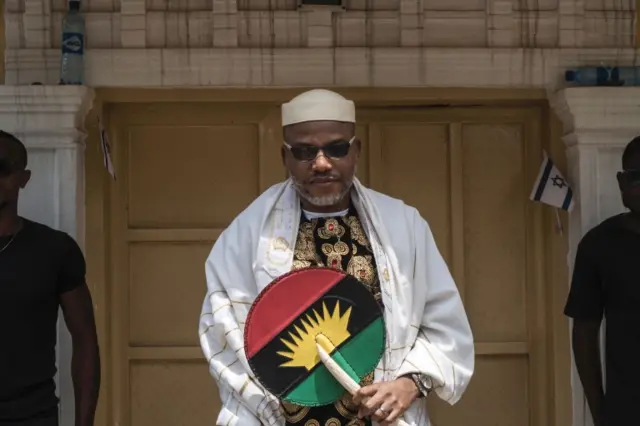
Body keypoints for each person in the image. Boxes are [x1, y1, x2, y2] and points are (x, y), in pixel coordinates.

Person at [199, 89, 474, 426]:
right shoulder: (247, 235)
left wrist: (409, 383)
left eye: (336, 148)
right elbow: (223, 330)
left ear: (355, 151)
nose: (321, 163)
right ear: (285, 157)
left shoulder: (403, 227)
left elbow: (444, 328)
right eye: (304, 151)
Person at [0, 131, 101, 426]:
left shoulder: (55, 250)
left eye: (2, 168)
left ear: (23, 177)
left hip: (31, 416)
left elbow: (85, 341)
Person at [564, 135, 640, 426]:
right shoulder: (598, 246)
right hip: (628, 411)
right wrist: (599, 414)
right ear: (621, 182)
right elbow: (584, 333)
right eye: (636, 177)